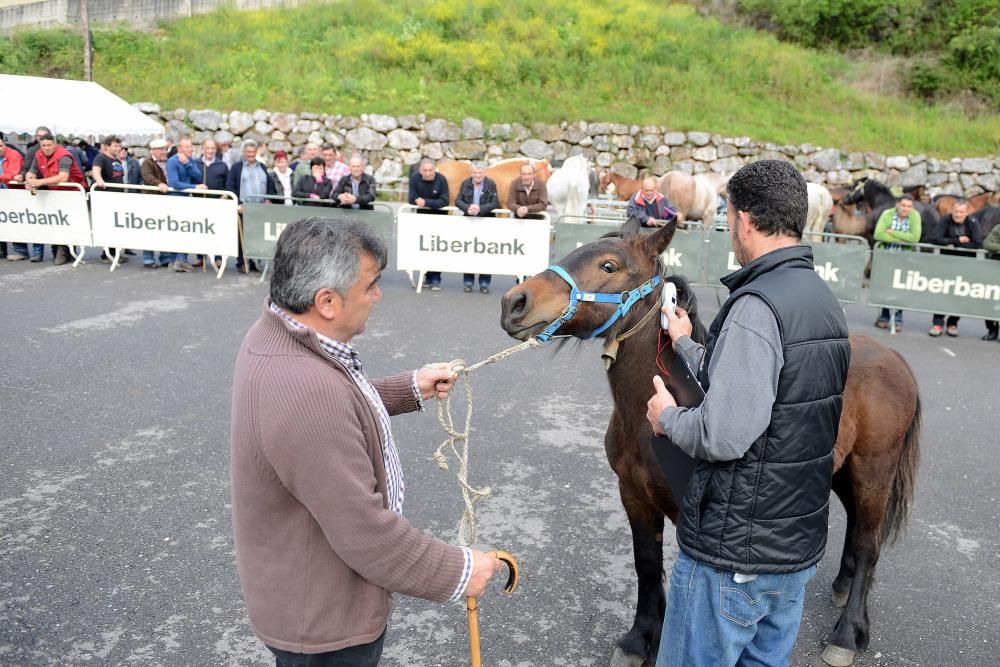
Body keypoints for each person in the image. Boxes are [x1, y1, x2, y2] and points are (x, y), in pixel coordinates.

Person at [230, 216, 503, 666]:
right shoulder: (308, 392)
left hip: (302, 595)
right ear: (327, 301)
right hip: (323, 624)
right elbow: (367, 536)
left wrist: (408, 387)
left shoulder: (278, 335)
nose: (378, 295)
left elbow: (335, 410)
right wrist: (461, 570)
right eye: (371, 285)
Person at [645, 160, 850, 667]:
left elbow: (724, 434)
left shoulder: (755, 306)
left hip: (734, 556)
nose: (728, 226)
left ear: (747, 221)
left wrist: (666, 418)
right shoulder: (821, 297)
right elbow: (771, 392)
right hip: (793, 551)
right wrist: (689, 344)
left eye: (729, 214)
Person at [23, 133, 88, 265]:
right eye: (43, 146)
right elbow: (32, 171)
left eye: (49, 145)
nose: (46, 148)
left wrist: (39, 182)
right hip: (55, 192)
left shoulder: (64, 156)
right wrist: (29, 179)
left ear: (55, 144)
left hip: (72, 192)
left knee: (67, 223)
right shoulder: (39, 154)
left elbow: (63, 177)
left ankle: (65, 251)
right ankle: (61, 251)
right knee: (56, 222)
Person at [927, 199, 983, 337]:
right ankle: (938, 323)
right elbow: (934, 238)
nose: (958, 215)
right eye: (956, 211)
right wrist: (957, 241)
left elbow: (977, 243)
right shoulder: (945, 220)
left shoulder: (973, 222)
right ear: (952, 211)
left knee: (960, 295)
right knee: (942, 292)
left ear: (967, 212)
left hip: (966, 265)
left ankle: (953, 323)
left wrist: (954, 244)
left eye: (961, 212)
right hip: (946, 263)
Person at [226, 139, 276, 273]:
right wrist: (237, 204)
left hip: (260, 208)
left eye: (253, 151)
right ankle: (242, 263)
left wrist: (268, 199)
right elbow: (230, 186)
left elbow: (269, 185)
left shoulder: (262, 167)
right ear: (243, 152)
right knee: (242, 236)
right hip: (244, 207)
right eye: (248, 151)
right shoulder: (237, 167)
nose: (251, 154)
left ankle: (253, 262)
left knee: (256, 235)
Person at [872, 195, 922, 331]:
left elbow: (915, 237)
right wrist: (903, 238)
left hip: (904, 259)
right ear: (897, 205)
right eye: (903, 205)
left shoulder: (915, 216)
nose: (906, 209)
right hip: (887, 256)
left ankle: (899, 318)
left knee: (901, 288)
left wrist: (892, 233)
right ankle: (884, 316)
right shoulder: (887, 214)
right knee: (886, 287)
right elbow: (878, 234)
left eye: (909, 206)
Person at [165, 137, 209, 272]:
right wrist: (195, 187)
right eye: (187, 147)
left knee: (185, 230)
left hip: (187, 201)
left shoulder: (190, 161)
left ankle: (180, 259)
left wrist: (188, 165)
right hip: (176, 200)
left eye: (191, 147)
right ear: (180, 149)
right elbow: (174, 183)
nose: (190, 149)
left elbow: (197, 176)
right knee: (178, 230)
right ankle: (177, 260)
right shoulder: (172, 162)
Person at [455, 163, 500, 293]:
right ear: (471, 173)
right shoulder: (465, 183)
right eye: (475, 173)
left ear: (484, 173)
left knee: (486, 253)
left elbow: (495, 202)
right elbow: (458, 201)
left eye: (480, 173)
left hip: (487, 221)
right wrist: (467, 208)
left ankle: (484, 283)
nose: (477, 175)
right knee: (469, 252)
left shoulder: (491, 184)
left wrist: (480, 209)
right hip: (469, 222)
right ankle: (468, 282)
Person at [407, 158, 450, 290]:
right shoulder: (414, 178)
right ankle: (426, 276)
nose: (428, 173)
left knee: (437, 250)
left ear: (434, 170)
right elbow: (411, 198)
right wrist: (423, 202)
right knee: (423, 248)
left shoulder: (441, 179)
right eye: (425, 170)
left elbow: (444, 201)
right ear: (420, 171)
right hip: (422, 220)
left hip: (438, 220)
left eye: (430, 170)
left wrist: (426, 203)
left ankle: (436, 278)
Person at [91, 135, 131, 265]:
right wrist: (99, 180)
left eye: (119, 146)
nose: (118, 148)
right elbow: (96, 170)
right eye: (115, 146)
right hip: (105, 199)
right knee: (107, 226)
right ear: (107, 146)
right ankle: (106, 254)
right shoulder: (101, 157)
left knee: (116, 226)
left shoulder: (117, 160)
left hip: (117, 198)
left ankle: (114, 253)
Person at [140, 138, 176, 269]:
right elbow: (147, 176)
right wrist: (158, 183)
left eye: (165, 149)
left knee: (165, 228)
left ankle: (165, 257)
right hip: (152, 201)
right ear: (153, 151)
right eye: (161, 149)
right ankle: (148, 258)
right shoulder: (147, 163)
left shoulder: (169, 162)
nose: (164, 152)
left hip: (166, 200)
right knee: (150, 228)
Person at [982, 222, 1000, 342]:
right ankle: (992, 330)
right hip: (995, 270)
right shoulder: (998, 228)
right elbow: (987, 244)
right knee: (991, 300)